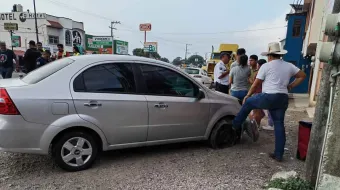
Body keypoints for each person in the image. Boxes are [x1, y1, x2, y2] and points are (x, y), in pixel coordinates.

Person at [232, 42, 306, 162]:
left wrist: (248, 95)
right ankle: (278, 154)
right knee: (279, 125)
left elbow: (256, 83)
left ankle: (234, 125)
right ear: (279, 55)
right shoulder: (289, 66)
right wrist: (291, 86)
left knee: (248, 103)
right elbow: (302, 75)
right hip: (282, 98)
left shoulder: (266, 66)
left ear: (270, 56)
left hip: (268, 96)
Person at [249, 59, 266, 127]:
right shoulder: (267, 73)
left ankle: (256, 126)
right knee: (260, 112)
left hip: (257, 93)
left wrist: (249, 79)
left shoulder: (259, 73)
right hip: (263, 93)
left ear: (259, 65)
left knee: (256, 112)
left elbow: (254, 84)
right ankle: (257, 124)